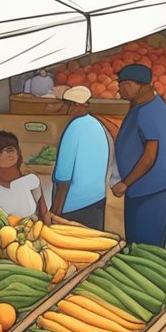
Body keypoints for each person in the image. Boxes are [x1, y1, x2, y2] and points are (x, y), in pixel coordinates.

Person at [112, 64, 166, 246]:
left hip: (152, 191)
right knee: (135, 243)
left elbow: (149, 156)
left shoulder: (151, 112)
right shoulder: (140, 106)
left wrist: (125, 183)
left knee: (147, 247)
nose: (120, 89)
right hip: (139, 189)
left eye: (126, 84)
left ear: (142, 86)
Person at [51, 86, 112, 229]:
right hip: (97, 198)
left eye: (68, 104)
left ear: (75, 106)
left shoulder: (74, 128)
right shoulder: (96, 125)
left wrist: (55, 212)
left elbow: (63, 178)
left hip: (75, 204)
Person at [0, 131, 47, 219]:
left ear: (18, 154)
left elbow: (44, 213)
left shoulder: (31, 180)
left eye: (10, 150)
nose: (6, 155)